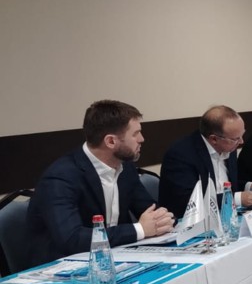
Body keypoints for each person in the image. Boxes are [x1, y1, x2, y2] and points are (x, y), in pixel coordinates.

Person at [27, 100, 176, 265]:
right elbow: (72, 239)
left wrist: (163, 220)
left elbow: (150, 210)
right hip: (64, 268)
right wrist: (139, 229)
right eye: (135, 134)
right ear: (111, 141)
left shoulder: (125, 167)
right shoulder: (60, 178)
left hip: (115, 258)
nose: (142, 139)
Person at [159, 105, 252, 219]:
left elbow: (223, 186)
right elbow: (188, 201)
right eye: (235, 139)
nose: (241, 141)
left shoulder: (228, 147)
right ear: (214, 139)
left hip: (226, 217)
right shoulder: (181, 154)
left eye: (242, 135)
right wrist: (237, 198)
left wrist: (249, 186)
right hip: (191, 222)